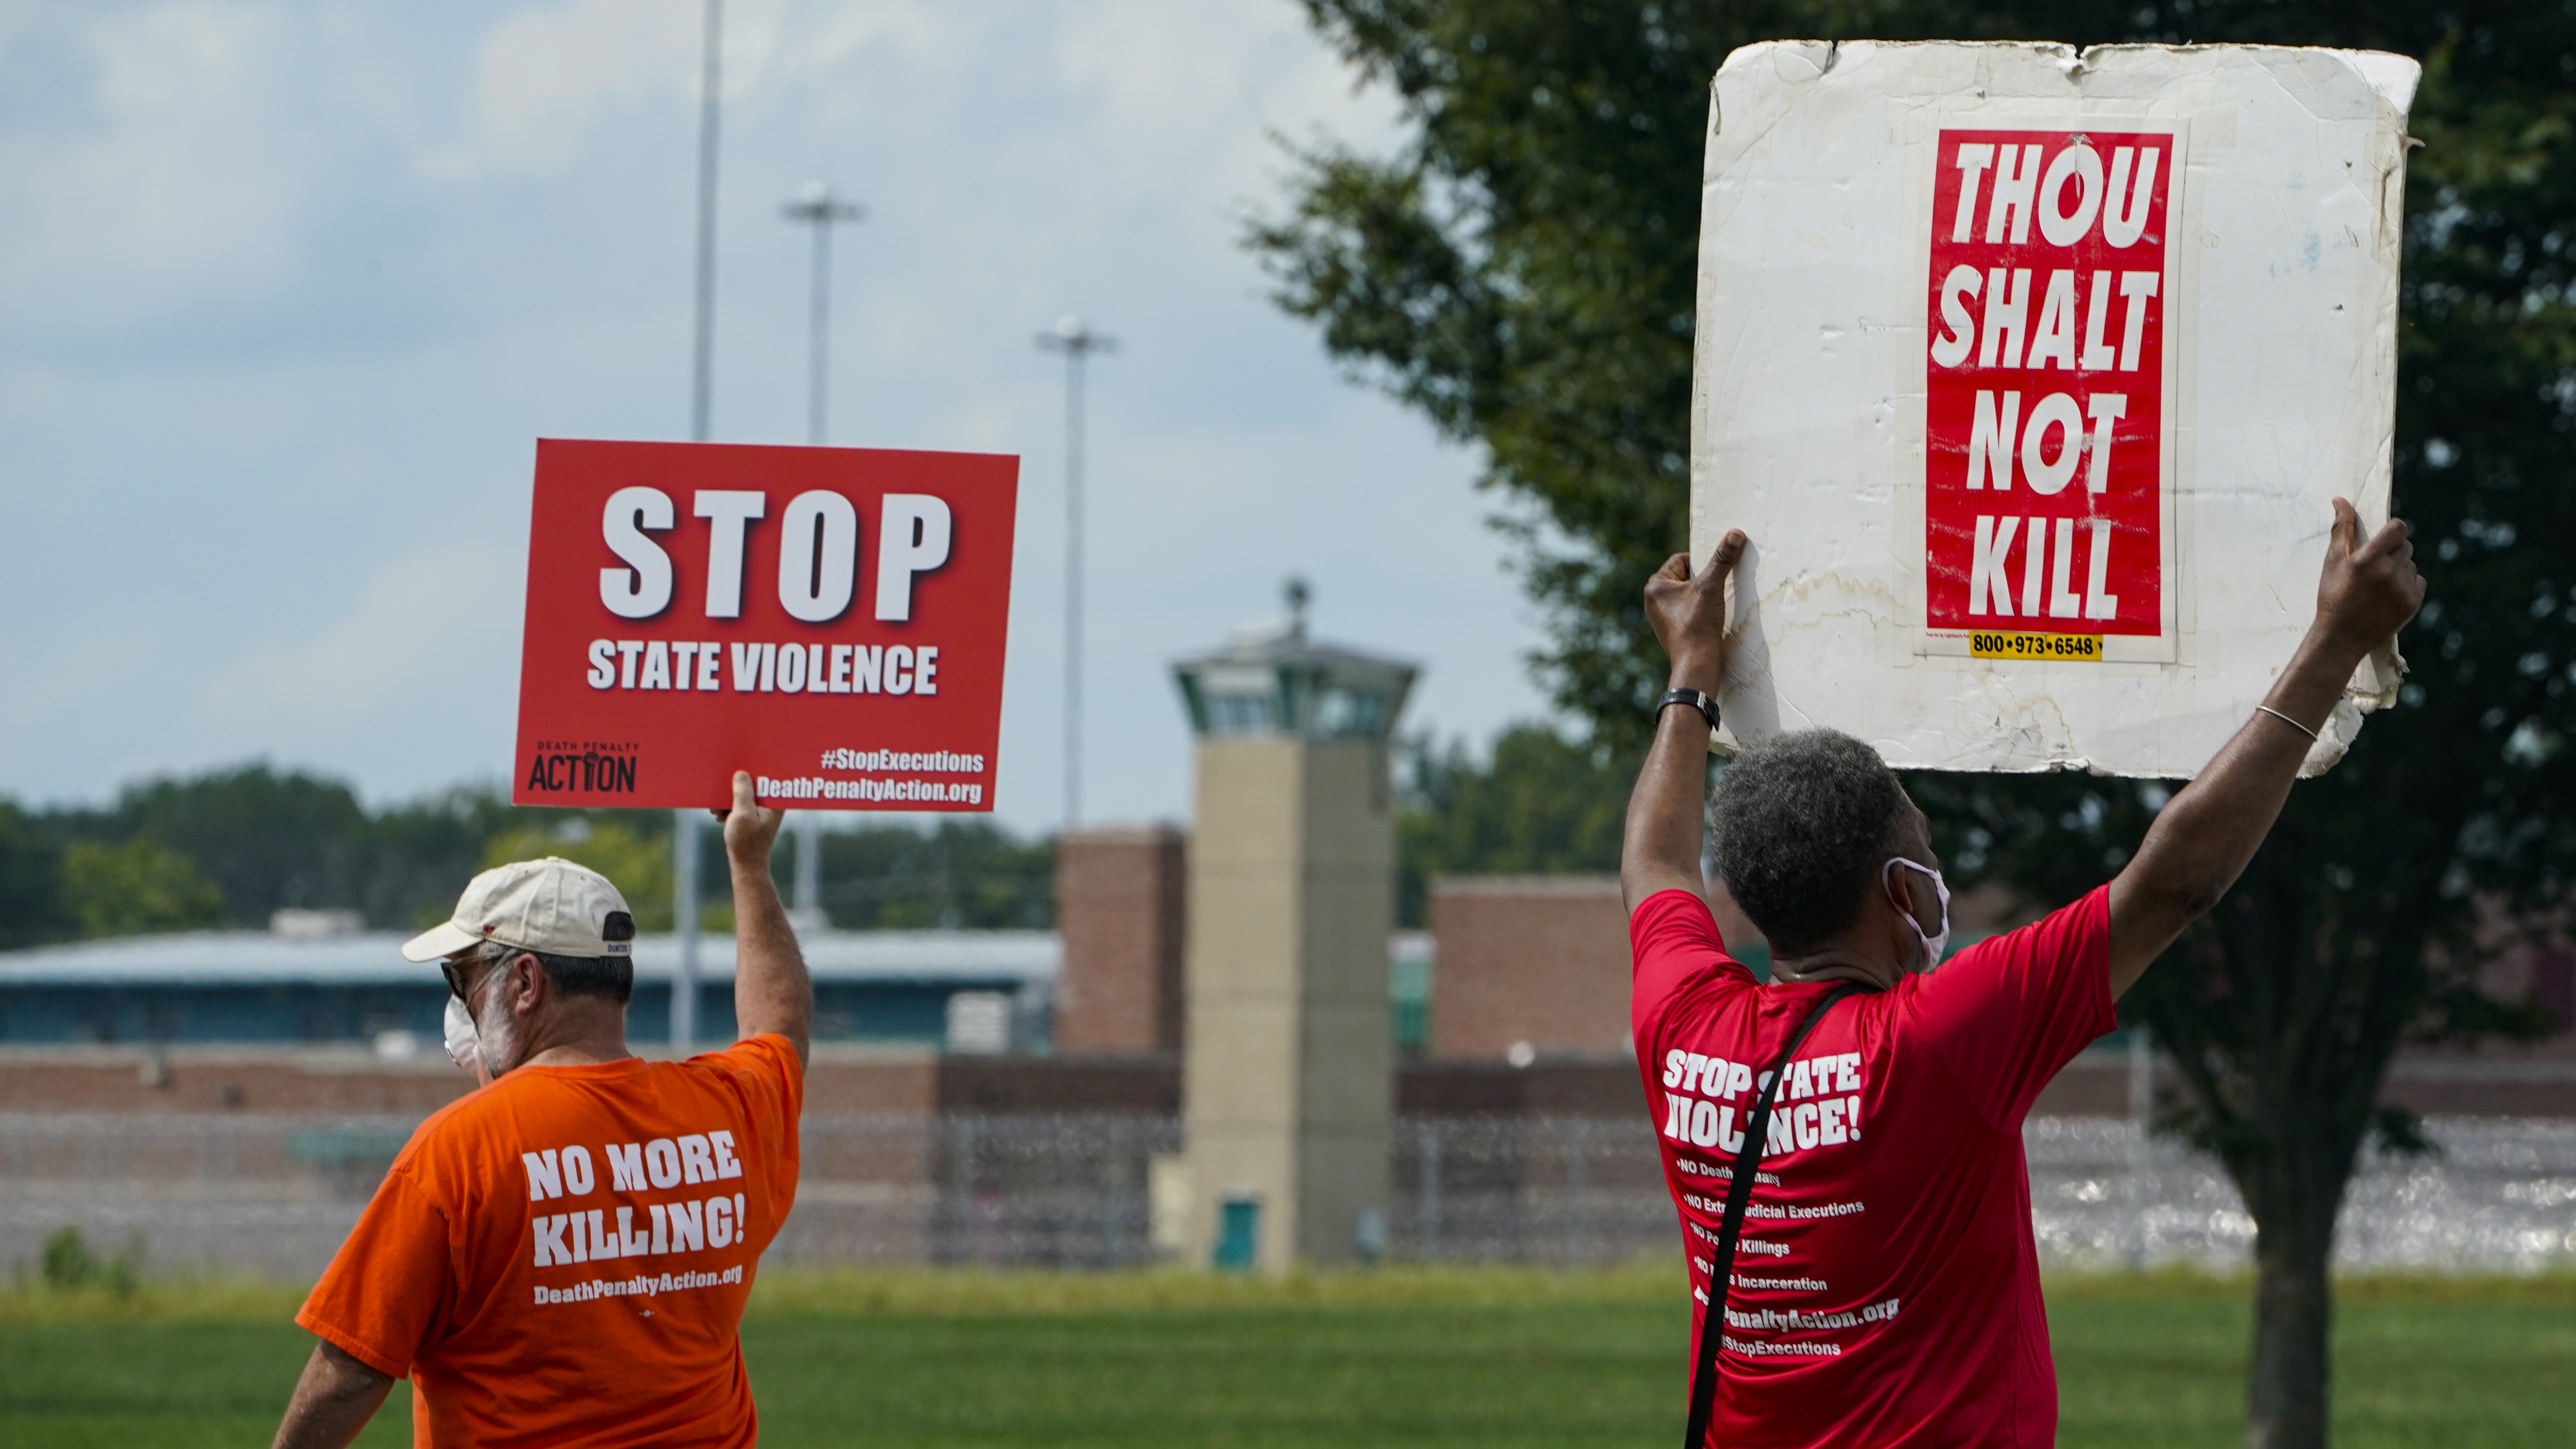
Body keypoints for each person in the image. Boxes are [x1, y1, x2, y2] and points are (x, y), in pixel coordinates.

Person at [1623, 501, 2422, 1446]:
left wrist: (1690, 670)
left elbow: (1659, 862)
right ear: (1900, 892)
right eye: (1924, 846)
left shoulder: (1684, 1029)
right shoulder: (1937, 1040)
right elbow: (2172, 886)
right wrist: (2335, 643)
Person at [271, 772, 810, 1449]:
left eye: (464, 979)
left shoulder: (458, 1149)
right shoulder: (727, 1110)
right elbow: (780, 1028)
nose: (458, 1002)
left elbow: (352, 1368)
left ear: (525, 983)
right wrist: (749, 863)